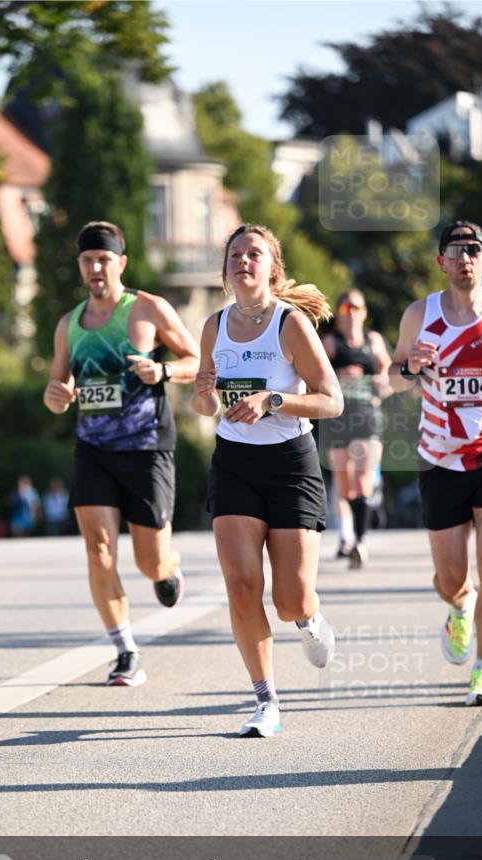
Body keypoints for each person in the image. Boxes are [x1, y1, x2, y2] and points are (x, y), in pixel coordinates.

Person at [192, 224, 343, 737]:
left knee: (291, 599)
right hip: (234, 462)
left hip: (290, 465)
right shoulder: (213, 325)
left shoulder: (290, 324)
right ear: (226, 268)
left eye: (254, 253)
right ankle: (266, 701)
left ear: (271, 267)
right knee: (240, 586)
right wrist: (204, 394)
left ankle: (308, 620)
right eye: (235, 253)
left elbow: (332, 399)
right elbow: (205, 401)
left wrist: (273, 400)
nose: (243, 261)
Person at [43, 220, 199, 686]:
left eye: (104, 260)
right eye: (88, 260)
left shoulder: (148, 309)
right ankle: (125, 649)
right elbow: (57, 386)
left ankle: (168, 569)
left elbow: (196, 360)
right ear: (80, 266)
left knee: (149, 561)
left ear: (121, 264)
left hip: (146, 447)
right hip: (93, 449)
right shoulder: (68, 324)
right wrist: (56, 396)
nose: (95, 268)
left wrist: (164, 371)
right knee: (99, 549)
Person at [391, 220, 482, 708]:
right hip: (440, 457)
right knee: (451, 579)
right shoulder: (421, 314)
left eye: (474, 250)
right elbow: (395, 377)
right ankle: (460, 607)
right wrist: (412, 367)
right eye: (454, 250)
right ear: (441, 262)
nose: (464, 257)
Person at [321, 289, 391, 567]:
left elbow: (388, 372)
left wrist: (378, 381)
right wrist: (337, 377)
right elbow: (315, 374)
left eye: (357, 308)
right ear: (338, 314)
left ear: (364, 312)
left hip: (367, 416)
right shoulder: (330, 343)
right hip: (338, 417)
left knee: (362, 478)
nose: (352, 313)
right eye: (346, 308)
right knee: (343, 484)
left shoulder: (373, 342)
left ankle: (359, 542)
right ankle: (346, 537)